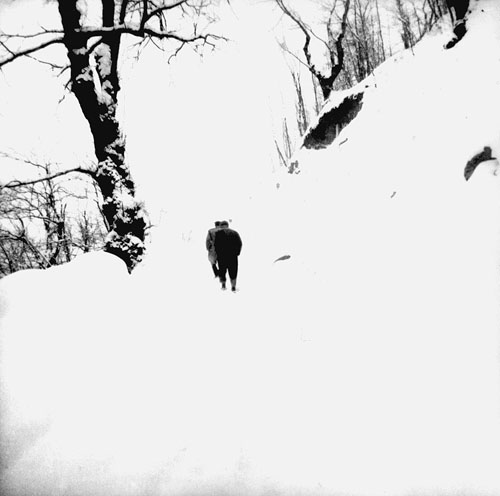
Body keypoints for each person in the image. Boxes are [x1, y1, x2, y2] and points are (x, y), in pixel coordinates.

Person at [214, 220, 242, 292]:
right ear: (227, 225)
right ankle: (233, 286)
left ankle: (223, 285)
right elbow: (239, 243)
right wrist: (237, 253)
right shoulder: (235, 233)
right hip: (232, 256)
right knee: (233, 271)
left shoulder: (218, 234)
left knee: (222, 271)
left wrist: (218, 254)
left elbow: (216, 245)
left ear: (221, 226)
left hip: (222, 256)